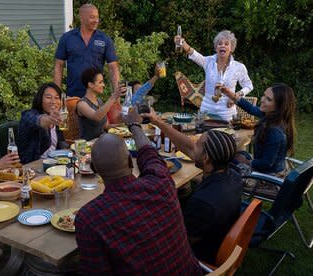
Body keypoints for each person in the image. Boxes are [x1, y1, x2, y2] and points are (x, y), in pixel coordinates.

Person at [75, 109, 202, 274]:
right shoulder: (161, 182)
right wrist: (134, 125)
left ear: (94, 169)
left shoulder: (89, 218)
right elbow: (149, 152)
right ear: (130, 160)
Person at [142, 109, 242, 263]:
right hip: (216, 233)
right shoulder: (233, 175)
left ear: (206, 158)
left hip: (197, 255)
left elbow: (180, 243)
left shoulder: (203, 203)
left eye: (198, 144)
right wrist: (157, 122)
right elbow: (189, 147)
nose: (193, 145)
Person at [176, 30, 253, 121]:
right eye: (219, 43)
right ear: (216, 48)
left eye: (226, 44)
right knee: (202, 134)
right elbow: (193, 54)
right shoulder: (208, 61)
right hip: (206, 112)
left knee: (226, 134)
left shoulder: (239, 67)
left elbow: (249, 86)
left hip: (227, 114)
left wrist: (236, 96)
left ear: (231, 48)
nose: (222, 45)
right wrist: (182, 43)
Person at [221, 83, 296, 175]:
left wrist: (247, 162)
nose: (263, 100)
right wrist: (229, 94)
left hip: (266, 177)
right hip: (265, 168)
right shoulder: (270, 116)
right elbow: (251, 108)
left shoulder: (274, 131)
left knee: (223, 159)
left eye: (268, 99)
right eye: (264, 95)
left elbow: (266, 164)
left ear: (279, 106)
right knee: (236, 153)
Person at [54, 3, 120, 98]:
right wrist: (57, 95)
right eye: (92, 17)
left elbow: (113, 68)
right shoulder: (67, 38)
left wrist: (116, 95)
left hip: (96, 96)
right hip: (73, 96)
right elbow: (58, 66)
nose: (96, 20)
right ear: (81, 18)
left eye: (97, 17)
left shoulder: (104, 39)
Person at [17, 82, 69, 163]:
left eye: (57, 98)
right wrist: (49, 119)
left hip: (55, 163)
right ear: (40, 99)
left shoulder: (58, 117)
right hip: (32, 167)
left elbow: (61, 143)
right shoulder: (28, 115)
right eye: (48, 97)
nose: (53, 101)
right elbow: (36, 120)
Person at [76, 68, 125, 140]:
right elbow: (96, 117)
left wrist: (123, 125)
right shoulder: (82, 104)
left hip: (103, 140)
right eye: (100, 82)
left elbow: (106, 126)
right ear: (90, 84)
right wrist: (113, 97)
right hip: (89, 145)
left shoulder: (99, 101)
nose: (103, 85)